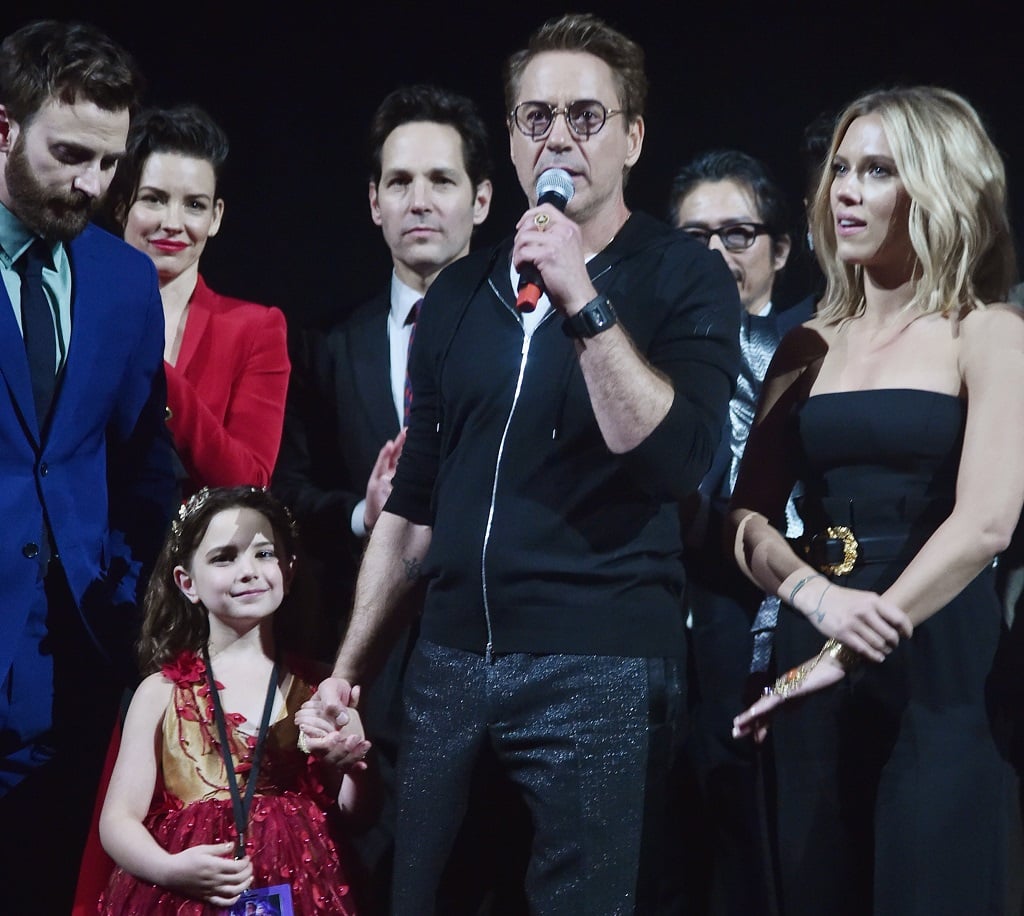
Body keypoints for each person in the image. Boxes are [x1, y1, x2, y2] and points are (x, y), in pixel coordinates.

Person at [309, 13, 740, 913]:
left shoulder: (679, 276)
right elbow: (413, 506)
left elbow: (672, 461)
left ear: (633, 136)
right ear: (509, 138)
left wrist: (583, 295)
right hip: (450, 665)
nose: (559, 137)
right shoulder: (463, 291)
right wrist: (348, 669)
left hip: (601, 665)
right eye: (536, 117)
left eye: (586, 116)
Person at [729, 86, 1023, 915]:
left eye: (878, 170)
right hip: (812, 641)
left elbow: (986, 523)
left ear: (937, 187)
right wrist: (812, 601)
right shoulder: (807, 343)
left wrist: (851, 645)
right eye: (841, 169)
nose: (845, 190)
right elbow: (745, 518)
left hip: (938, 661)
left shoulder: (989, 333)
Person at [272, 83, 499, 912]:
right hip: (365, 674)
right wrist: (367, 515)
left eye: (441, 181)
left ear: (481, 198)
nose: (419, 201)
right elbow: (286, 493)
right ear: (373, 203)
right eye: (399, 183)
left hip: (493, 658)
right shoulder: (329, 345)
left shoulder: (535, 340)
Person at [0, 19, 178, 911]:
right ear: (4, 129)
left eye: (109, 163)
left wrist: (128, 590)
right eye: (69, 154)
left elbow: (146, 457)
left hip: (78, 657)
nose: (91, 184)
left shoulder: (121, 278)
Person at [98, 486, 372, 914]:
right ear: (187, 582)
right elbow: (117, 820)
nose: (249, 570)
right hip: (186, 893)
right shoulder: (161, 692)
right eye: (224, 557)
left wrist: (352, 769)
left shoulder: (321, 688)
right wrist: (169, 869)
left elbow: (354, 814)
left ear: (290, 569)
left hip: (301, 889)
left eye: (264, 554)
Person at [669, 148, 811, 915]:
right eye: (693, 238)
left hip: (771, 622)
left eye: (737, 234)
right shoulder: (638, 355)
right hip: (659, 635)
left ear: (781, 249)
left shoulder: (813, 352)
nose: (717, 255)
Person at [106, 104, 290, 496]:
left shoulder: (254, 329)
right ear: (122, 206)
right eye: (154, 198)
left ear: (216, 216)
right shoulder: (78, 312)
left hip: (195, 550)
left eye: (194, 205)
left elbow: (249, 482)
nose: (173, 222)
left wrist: (154, 368)